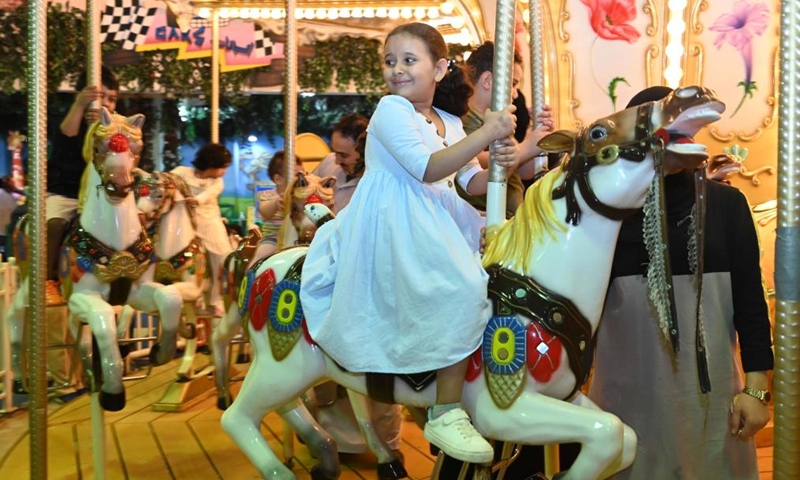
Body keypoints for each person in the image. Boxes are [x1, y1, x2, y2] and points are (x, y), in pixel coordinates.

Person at [300, 22, 518, 464]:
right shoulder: (391, 110)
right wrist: (487, 133)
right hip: (395, 225)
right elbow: (426, 167)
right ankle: (445, 410)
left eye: (409, 60)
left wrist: (508, 160)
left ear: (439, 68)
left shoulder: (451, 122)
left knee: (495, 284)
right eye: (390, 61)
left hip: (435, 220)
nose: (397, 70)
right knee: (462, 288)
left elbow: (469, 181)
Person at [588, 86, 774, 479]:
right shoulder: (607, 213)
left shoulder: (726, 205)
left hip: (711, 402)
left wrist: (757, 391)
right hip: (627, 399)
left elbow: (750, 304)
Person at [46, 66, 119, 305]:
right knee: (55, 223)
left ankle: (130, 275)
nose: (107, 103)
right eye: (101, 97)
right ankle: (48, 280)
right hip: (67, 194)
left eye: (112, 99)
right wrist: (79, 106)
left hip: (100, 197)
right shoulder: (70, 121)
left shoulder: (114, 125)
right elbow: (67, 136)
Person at [459, 41, 554, 218]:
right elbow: (470, 160)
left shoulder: (498, 120)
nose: (516, 93)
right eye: (513, 84)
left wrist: (537, 133)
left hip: (510, 218)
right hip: (485, 220)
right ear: (487, 81)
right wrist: (525, 148)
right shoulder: (464, 118)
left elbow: (525, 172)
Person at [172, 143, 234, 317]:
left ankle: (216, 300)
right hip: (186, 220)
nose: (225, 171)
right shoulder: (182, 173)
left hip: (208, 220)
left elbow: (209, 195)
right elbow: (167, 180)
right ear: (212, 164)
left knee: (222, 256)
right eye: (223, 167)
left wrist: (196, 200)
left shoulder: (217, 181)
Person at [312, 113, 369, 213]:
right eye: (335, 152)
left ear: (364, 152)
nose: (337, 161)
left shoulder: (371, 186)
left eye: (343, 155)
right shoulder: (328, 162)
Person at [255, 150, 306, 259]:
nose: (303, 179)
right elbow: (264, 211)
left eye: (304, 174)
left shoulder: (300, 198)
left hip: (298, 240)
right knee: (261, 256)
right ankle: (251, 275)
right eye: (298, 175)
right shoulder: (268, 195)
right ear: (278, 179)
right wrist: (275, 204)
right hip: (274, 239)